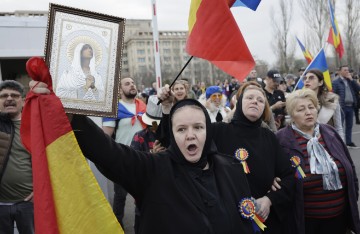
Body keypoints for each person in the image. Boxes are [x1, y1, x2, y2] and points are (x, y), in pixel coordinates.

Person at [29, 79, 256, 233]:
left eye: (198, 127)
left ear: (208, 130)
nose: (190, 136)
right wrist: (71, 117)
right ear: (172, 133)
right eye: (181, 129)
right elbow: (111, 154)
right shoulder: (153, 169)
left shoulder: (230, 168)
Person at [158, 84, 295, 233]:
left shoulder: (269, 137)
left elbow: (288, 176)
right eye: (249, 98)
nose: (255, 101)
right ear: (238, 102)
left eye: (260, 100)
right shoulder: (218, 130)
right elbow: (175, 142)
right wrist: (166, 109)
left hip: (264, 219)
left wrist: (269, 199)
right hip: (225, 217)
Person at [276, 89, 360, 234]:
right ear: (292, 115)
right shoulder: (281, 140)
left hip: (339, 219)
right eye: (301, 109)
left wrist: (353, 196)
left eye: (311, 107)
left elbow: (350, 168)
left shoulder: (330, 132)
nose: (308, 112)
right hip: (305, 222)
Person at [102, 77, 146, 227]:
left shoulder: (143, 106)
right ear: (120, 90)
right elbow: (105, 136)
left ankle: (142, 226)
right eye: (127, 84)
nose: (132, 85)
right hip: (123, 158)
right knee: (120, 196)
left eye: (133, 83)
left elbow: (153, 130)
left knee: (143, 195)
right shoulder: (114, 108)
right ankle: (118, 226)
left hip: (143, 158)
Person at [0, 81, 34, 234]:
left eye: (14, 95)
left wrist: (39, 190)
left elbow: (48, 162)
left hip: (27, 203)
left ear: (24, 100)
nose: (9, 98)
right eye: (3, 96)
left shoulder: (35, 127)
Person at [130, 95, 165, 234]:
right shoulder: (140, 137)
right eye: (153, 123)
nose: (155, 126)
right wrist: (152, 157)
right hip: (146, 195)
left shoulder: (172, 136)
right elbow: (133, 166)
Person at [303, 69, 345, 141]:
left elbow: (338, 127)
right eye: (305, 78)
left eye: (311, 78)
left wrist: (342, 146)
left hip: (329, 142)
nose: (307, 80)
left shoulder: (332, 99)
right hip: (307, 144)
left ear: (320, 82)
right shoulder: (299, 101)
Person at [332, 65, 360, 148]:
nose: (347, 72)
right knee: (339, 126)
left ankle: (349, 142)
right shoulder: (336, 82)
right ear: (340, 71)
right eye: (345, 70)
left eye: (348, 70)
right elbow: (333, 94)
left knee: (349, 125)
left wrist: (352, 80)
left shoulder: (350, 81)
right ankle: (339, 143)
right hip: (341, 107)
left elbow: (358, 89)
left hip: (350, 106)